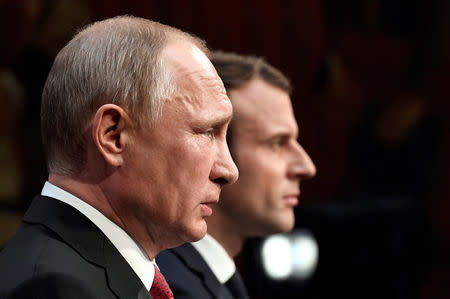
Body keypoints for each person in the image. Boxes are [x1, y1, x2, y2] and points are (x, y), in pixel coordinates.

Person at [0, 16, 238, 299]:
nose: (229, 170)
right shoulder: (57, 288)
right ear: (114, 135)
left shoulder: (94, 272)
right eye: (206, 132)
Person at [157, 51, 317, 299]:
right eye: (277, 143)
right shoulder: (172, 289)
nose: (306, 167)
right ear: (214, 151)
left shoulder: (203, 279)